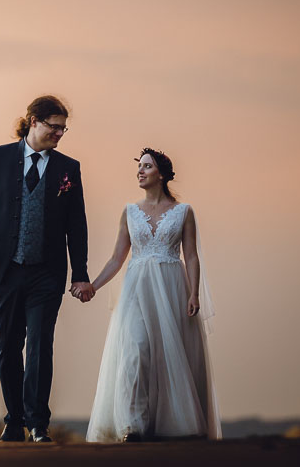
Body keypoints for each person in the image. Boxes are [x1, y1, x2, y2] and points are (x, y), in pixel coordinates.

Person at [0, 95, 90, 442]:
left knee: (39, 345)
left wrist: (80, 273)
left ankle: (38, 423)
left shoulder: (68, 168)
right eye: (54, 126)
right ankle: (14, 419)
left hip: (47, 273)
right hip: (4, 271)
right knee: (8, 346)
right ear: (33, 121)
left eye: (63, 128)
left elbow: (76, 226)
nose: (59, 134)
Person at [78, 148, 221, 442]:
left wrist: (193, 294)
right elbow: (117, 257)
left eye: (147, 166)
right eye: (139, 166)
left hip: (171, 287)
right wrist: (94, 284)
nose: (140, 171)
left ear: (163, 174)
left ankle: (172, 423)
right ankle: (133, 425)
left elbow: (191, 256)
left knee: (170, 354)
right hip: (136, 289)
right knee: (136, 350)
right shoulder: (130, 211)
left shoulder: (184, 212)